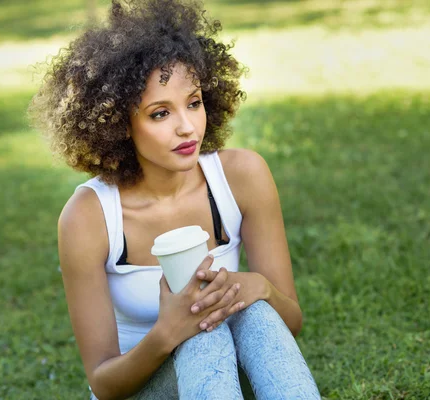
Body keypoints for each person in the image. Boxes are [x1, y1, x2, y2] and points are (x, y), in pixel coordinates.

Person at [28, 0, 320, 398]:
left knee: (250, 315)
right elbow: (103, 381)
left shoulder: (243, 177)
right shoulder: (88, 216)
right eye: (160, 113)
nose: (187, 128)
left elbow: (291, 321)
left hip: (224, 379)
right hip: (141, 389)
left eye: (194, 102)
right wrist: (168, 332)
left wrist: (257, 288)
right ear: (118, 123)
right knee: (202, 329)